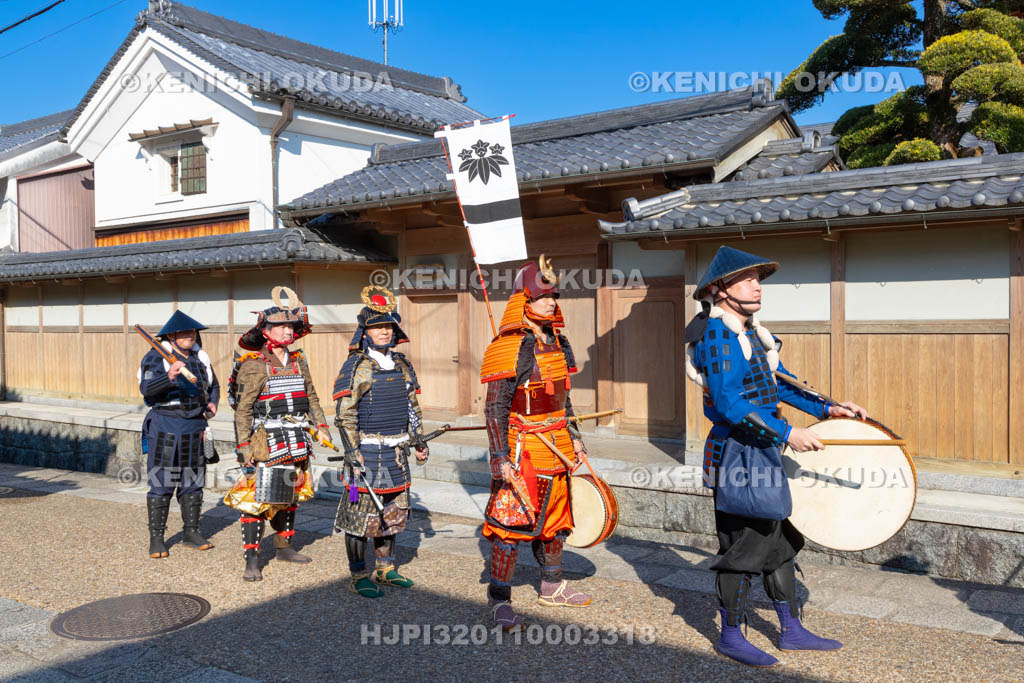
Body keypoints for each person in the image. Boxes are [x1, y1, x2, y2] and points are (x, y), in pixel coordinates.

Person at [684, 246, 867, 667]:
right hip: (736, 454)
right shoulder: (718, 335)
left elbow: (771, 388)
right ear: (719, 290)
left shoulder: (748, 332)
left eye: (758, 279)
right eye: (745, 279)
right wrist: (788, 432)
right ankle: (730, 635)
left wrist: (827, 410)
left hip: (762, 448)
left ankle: (791, 629)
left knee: (780, 540)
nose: (756, 285)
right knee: (743, 545)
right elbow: (730, 403)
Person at [479, 256, 590, 630]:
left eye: (554, 296)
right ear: (523, 301)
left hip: (556, 442)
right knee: (510, 526)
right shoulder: (510, 344)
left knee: (556, 523)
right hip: (522, 449)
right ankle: (499, 601)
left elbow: (564, 397)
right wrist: (499, 457)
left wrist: (575, 437)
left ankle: (552, 586)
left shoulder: (558, 340)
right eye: (543, 297)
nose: (551, 302)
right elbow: (494, 406)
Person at [230, 286, 331, 582]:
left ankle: (284, 545)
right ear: (265, 331)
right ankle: (252, 558)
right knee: (257, 499)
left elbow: (311, 396)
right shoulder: (253, 365)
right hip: (266, 439)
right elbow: (243, 410)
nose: (288, 331)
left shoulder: (299, 360)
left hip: (297, 437)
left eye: (291, 326)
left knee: (290, 494)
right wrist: (244, 446)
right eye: (280, 326)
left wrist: (321, 426)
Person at [333, 285, 428, 598]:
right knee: (360, 515)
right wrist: (352, 452)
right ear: (365, 332)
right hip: (367, 452)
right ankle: (358, 574)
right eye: (377, 327)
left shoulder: (402, 364)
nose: (384, 331)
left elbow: (412, 407)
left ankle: (385, 568)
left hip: (397, 451)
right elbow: (345, 415)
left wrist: (419, 440)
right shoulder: (357, 366)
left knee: (393, 512)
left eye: (388, 326)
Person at [138, 310, 219, 559]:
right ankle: (157, 538)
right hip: (166, 425)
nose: (189, 336)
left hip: (195, 425)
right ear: (171, 336)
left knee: (193, 482)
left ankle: (191, 532)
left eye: (192, 332)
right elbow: (147, 390)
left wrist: (213, 403)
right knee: (162, 482)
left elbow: (213, 386)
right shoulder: (155, 357)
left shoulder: (201, 357)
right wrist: (169, 376)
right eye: (183, 333)